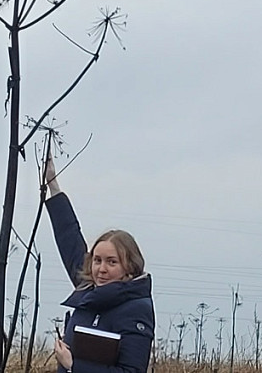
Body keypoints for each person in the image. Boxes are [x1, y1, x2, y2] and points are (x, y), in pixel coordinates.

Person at [44, 153, 155, 373]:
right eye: (97, 260)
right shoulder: (89, 289)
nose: (101, 269)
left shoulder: (137, 309)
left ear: (129, 266)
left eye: (112, 262)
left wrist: (74, 366)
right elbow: (69, 238)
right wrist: (52, 183)